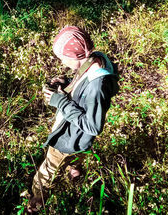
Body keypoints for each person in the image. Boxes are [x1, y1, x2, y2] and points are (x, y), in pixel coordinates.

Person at [27, 26, 120, 213]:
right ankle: (76, 184)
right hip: (79, 141)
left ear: (77, 55)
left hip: (69, 141)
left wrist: (60, 102)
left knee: (43, 177)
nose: (62, 62)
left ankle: (35, 203)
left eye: (63, 58)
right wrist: (67, 85)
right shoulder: (94, 60)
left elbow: (93, 126)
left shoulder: (97, 85)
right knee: (75, 164)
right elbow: (83, 91)